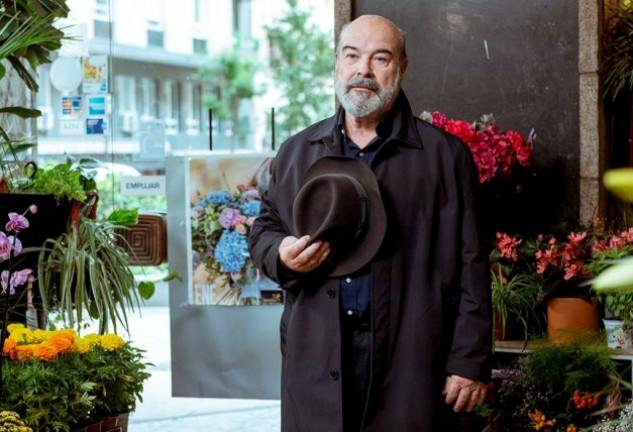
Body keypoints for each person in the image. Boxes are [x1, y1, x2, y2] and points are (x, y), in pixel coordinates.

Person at [248, 14, 492, 432]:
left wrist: (468, 361)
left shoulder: (444, 158)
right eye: (352, 55)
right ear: (338, 64)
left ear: (402, 68)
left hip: (410, 356)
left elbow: (472, 264)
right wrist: (282, 255)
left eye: (380, 58)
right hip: (318, 353)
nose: (363, 69)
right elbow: (264, 230)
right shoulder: (296, 152)